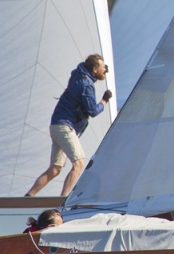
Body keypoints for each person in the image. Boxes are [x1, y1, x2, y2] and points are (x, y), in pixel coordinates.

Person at [25, 54, 113, 198]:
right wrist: (104, 100)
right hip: (64, 127)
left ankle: (28, 197)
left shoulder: (77, 76)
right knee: (79, 163)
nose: (105, 70)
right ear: (95, 69)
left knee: (55, 169)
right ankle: (63, 200)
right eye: (103, 67)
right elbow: (92, 111)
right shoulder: (87, 84)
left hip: (56, 125)